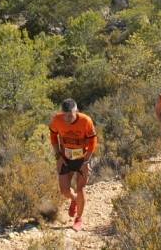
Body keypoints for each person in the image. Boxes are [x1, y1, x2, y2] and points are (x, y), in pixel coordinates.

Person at [49, 98, 98, 232]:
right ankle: (75, 200)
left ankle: (79, 218)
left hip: (82, 158)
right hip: (65, 157)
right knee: (64, 190)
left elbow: (93, 142)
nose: (68, 118)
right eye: (65, 115)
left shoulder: (85, 121)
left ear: (76, 111)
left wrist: (86, 161)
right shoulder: (57, 120)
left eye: (70, 115)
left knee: (80, 188)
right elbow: (53, 136)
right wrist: (58, 156)